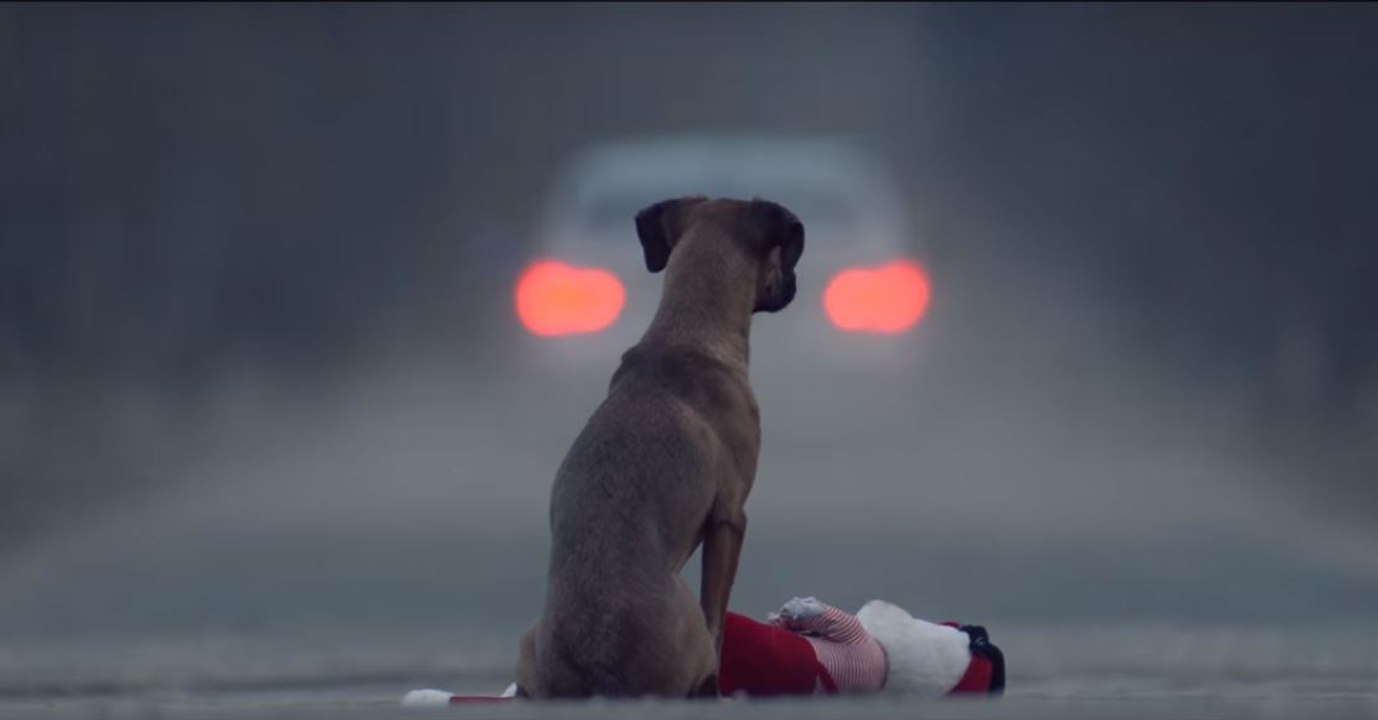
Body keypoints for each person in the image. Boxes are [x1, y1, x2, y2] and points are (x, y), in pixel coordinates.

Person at [402, 595, 1004, 705]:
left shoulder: (874, 658)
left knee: (700, 632)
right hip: (780, 677)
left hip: (779, 660)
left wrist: (805, 613)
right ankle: (459, 704)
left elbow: (834, 625)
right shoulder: (865, 687)